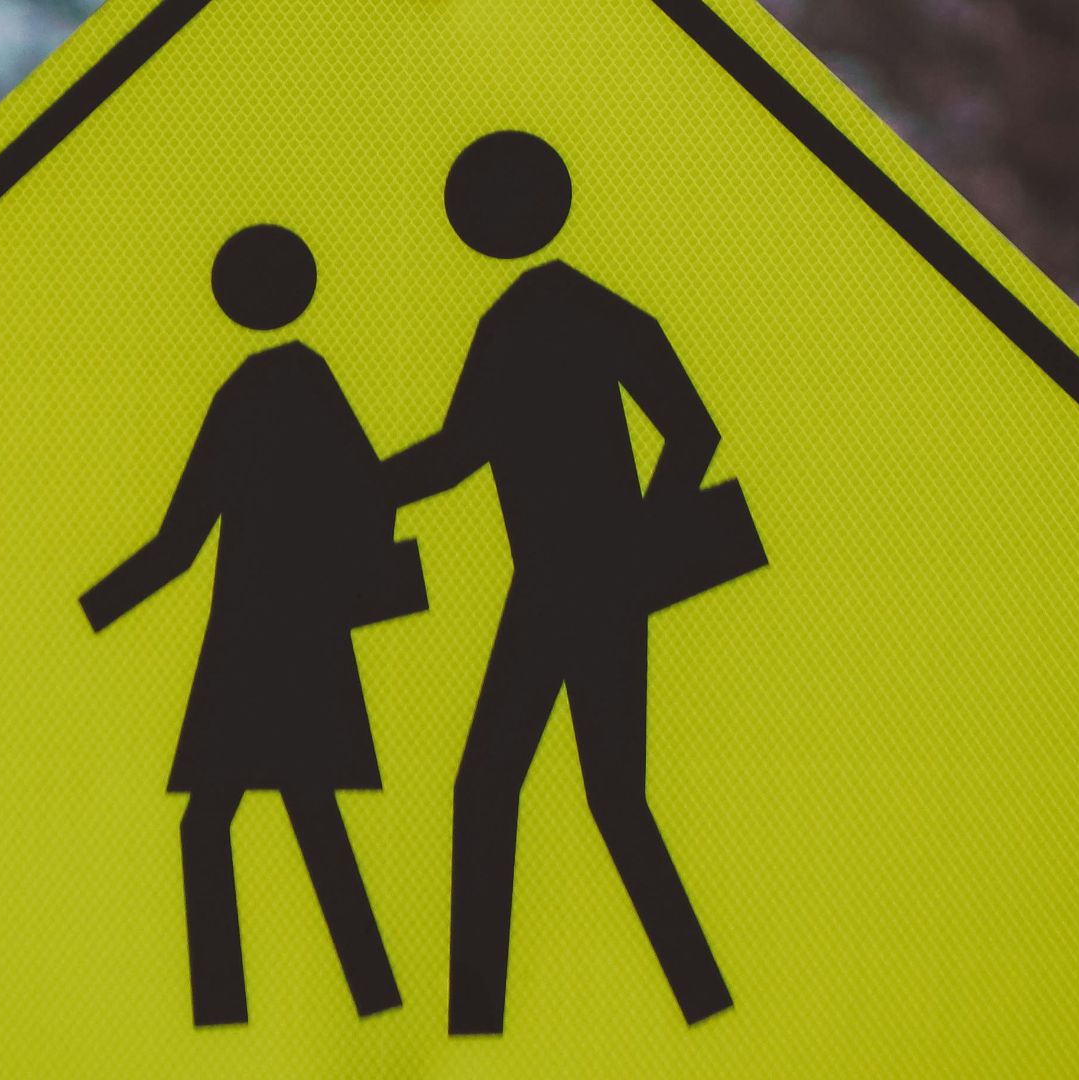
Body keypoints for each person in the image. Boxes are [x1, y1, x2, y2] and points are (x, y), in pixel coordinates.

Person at [383, 131, 740, 1035]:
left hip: (576, 585)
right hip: (562, 585)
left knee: (529, 787)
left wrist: (638, 547)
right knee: (573, 794)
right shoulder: (538, 317)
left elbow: (690, 430)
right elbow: (464, 453)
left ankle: (482, 1019)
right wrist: (362, 483)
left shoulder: (553, 313)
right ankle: (681, 1000)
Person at [82, 224, 421, 1027]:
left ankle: (227, 1012)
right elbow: (369, 496)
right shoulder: (303, 383)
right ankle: (369, 994)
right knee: (301, 812)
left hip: (255, 643)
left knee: (216, 823)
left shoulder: (253, 393)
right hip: (292, 638)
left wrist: (92, 612)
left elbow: (180, 541)